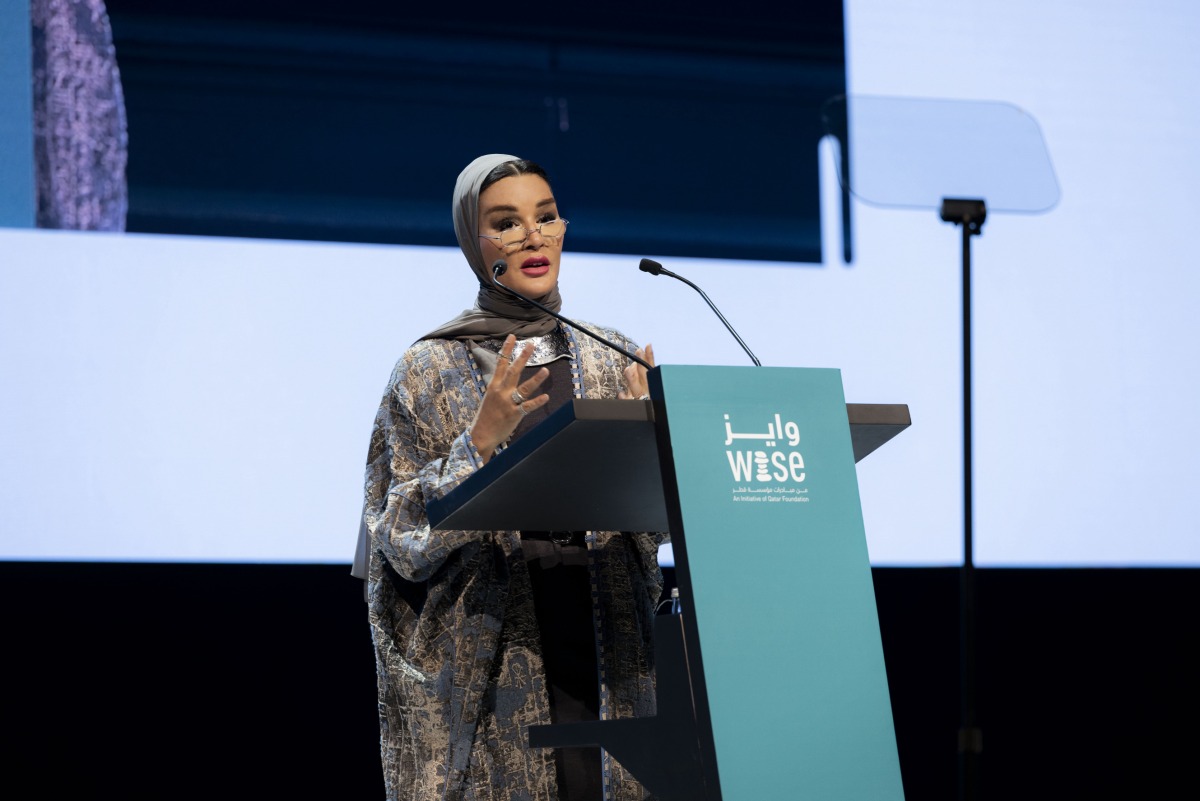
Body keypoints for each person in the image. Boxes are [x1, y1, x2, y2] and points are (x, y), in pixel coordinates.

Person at [356, 153, 666, 801]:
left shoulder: (609, 355)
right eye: (506, 222)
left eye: (546, 217)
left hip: (609, 651)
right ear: (473, 242)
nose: (532, 236)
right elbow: (397, 535)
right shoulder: (428, 368)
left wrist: (651, 453)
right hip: (496, 665)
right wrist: (478, 443)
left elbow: (652, 530)